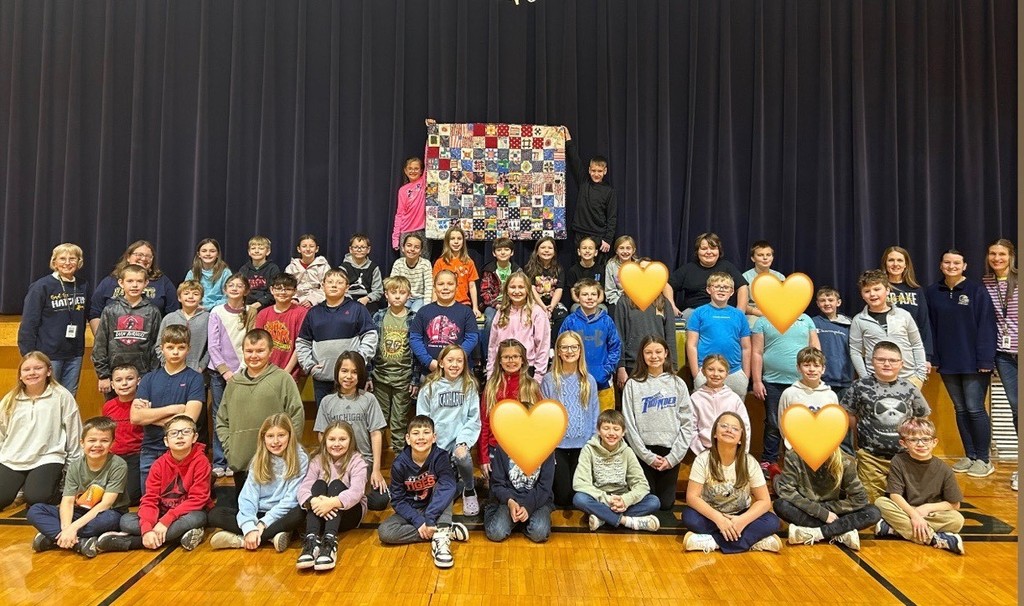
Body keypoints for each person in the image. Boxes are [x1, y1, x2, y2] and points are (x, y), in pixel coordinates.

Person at [925, 249, 997, 478]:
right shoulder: (932, 292)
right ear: (941, 265)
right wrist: (934, 357)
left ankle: (984, 459)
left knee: (975, 409)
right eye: (947, 262)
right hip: (948, 362)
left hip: (974, 362)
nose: (952, 266)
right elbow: (930, 327)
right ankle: (970, 455)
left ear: (964, 266)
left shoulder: (977, 291)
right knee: (961, 409)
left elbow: (987, 325)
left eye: (956, 263)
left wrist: (985, 359)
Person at [94, 415, 212, 553]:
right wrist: (147, 528)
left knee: (197, 518)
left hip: (186, 513)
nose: (180, 436)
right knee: (126, 521)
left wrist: (165, 522)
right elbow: (150, 499)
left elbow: (198, 499)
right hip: (161, 513)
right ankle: (180, 536)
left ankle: (132, 542)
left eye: (186, 432)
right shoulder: (158, 465)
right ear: (166, 441)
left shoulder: (201, 462)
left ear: (195, 437)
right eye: (174, 433)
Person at [216, 329, 306, 502]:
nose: (254, 356)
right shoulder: (234, 383)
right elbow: (221, 420)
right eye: (249, 351)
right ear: (243, 351)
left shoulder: (283, 379)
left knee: (274, 511)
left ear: (271, 351)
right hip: (242, 463)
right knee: (245, 511)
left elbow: (296, 415)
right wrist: (230, 448)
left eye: (260, 351)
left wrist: (287, 449)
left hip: (276, 465)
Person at [840, 341, 931, 502]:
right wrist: (860, 435)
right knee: (871, 503)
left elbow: (922, 416)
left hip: (905, 459)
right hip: (871, 458)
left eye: (893, 360)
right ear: (872, 361)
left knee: (906, 502)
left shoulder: (909, 388)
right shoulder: (859, 386)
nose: (887, 364)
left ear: (901, 364)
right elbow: (849, 415)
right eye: (881, 359)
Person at [377, 415, 470, 569]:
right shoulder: (399, 464)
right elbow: (398, 500)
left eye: (426, 432)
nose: (421, 437)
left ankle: (441, 539)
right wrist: (419, 521)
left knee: (446, 487)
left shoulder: (440, 456)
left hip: (435, 506)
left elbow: (447, 486)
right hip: (412, 509)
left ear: (434, 437)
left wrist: (430, 517)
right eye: (415, 433)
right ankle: (443, 530)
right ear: (408, 439)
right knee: (385, 532)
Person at [682, 411, 782, 553]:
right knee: (689, 517)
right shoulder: (702, 459)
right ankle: (753, 541)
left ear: (741, 438)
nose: (729, 430)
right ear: (715, 433)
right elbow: (692, 497)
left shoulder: (749, 462)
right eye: (724, 426)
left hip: (740, 515)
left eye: (735, 429)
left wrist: (742, 521)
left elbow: (764, 501)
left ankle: (712, 542)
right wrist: (719, 520)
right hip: (711, 515)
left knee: (772, 521)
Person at [26, 416, 126, 558]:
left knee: (110, 520)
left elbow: (106, 504)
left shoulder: (118, 465)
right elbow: (67, 501)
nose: (97, 445)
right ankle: (79, 543)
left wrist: (73, 528)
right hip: (79, 512)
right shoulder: (75, 466)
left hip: (106, 513)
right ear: (82, 443)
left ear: (112, 443)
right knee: (35, 510)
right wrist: (67, 528)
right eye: (92, 440)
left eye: (104, 441)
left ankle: (53, 537)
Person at [209, 414, 308, 552]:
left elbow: (291, 499)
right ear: (263, 438)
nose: (275, 441)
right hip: (259, 512)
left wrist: (263, 523)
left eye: (281, 435)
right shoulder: (258, 459)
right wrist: (249, 527)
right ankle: (271, 536)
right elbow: (248, 497)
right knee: (215, 514)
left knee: (300, 513)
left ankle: (240, 540)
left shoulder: (300, 458)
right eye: (270, 436)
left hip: (281, 514)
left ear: (290, 436)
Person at [0, 352, 83, 510]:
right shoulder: (9, 399)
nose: (32, 373)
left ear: (49, 371)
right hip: (13, 458)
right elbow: (1, 433)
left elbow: (74, 434)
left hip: (47, 457)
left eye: (38, 368)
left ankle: (41, 488)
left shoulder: (62, 396)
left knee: (37, 498)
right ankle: (22, 488)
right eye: (26, 369)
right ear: (20, 375)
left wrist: (71, 472)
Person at [622, 336, 694, 511]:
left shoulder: (678, 383)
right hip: (643, 451)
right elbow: (629, 425)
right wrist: (647, 456)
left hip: (669, 452)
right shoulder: (633, 384)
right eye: (648, 352)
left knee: (665, 504)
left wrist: (673, 458)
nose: (654, 356)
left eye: (658, 352)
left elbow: (687, 423)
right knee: (649, 500)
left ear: (666, 353)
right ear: (642, 355)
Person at [129, 325, 205, 491]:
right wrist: (175, 409)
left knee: (178, 501)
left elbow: (188, 421)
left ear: (188, 349)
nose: (175, 352)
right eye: (170, 347)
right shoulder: (149, 379)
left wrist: (150, 416)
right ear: (162, 348)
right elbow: (135, 417)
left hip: (182, 451)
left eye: (181, 347)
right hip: (150, 450)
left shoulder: (195, 379)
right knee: (150, 499)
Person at [874, 418, 966, 555]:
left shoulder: (944, 469)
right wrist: (914, 516)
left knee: (957, 520)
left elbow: (954, 504)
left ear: (934, 442)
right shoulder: (898, 461)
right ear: (903, 443)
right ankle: (933, 539)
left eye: (926, 439)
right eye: (913, 440)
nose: (921, 444)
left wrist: (927, 508)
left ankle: (894, 529)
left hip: (929, 514)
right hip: (905, 509)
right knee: (880, 503)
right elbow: (895, 495)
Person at [313, 353, 389, 511]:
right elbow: (322, 435)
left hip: (363, 463)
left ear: (360, 374)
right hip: (338, 466)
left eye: (354, 372)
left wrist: (376, 470)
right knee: (329, 489)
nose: (349, 376)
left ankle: (349, 500)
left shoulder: (368, 399)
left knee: (381, 500)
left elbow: (376, 433)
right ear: (337, 372)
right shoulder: (327, 401)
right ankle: (348, 500)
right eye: (344, 371)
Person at [295, 267, 378, 408]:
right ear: (323, 286)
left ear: (347, 288)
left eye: (339, 282)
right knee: (325, 418)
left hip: (351, 378)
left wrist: (358, 361)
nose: (334, 285)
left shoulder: (357, 309)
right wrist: (310, 366)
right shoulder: (313, 313)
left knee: (353, 417)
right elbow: (303, 342)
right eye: (330, 282)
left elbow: (370, 336)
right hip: (322, 379)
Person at [751, 305, 819, 475]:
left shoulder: (806, 319)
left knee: (801, 422)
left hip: (801, 383)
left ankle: (800, 461)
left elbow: (815, 349)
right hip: (772, 382)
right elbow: (757, 352)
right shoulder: (762, 321)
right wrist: (757, 381)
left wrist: (816, 378)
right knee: (773, 423)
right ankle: (769, 461)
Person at [416, 345, 481, 516]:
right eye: (450, 360)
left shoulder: (469, 385)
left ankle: (469, 489)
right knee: (435, 495)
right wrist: (430, 441)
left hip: (459, 442)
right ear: (441, 363)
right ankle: (455, 481)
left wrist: (463, 441)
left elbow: (473, 418)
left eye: (459, 361)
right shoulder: (430, 386)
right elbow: (422, 420)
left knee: (462, 456)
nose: (454, 364)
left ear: (464, 364)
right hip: (437, 443)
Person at [774, 446, 880, 551]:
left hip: (834, 512)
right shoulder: (794, 456)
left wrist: (828, 511)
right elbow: (786, 491)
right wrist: (821, 513)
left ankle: (817, 533)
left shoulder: (846, 460)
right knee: (781, 505)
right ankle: (840, 532)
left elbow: (860, 498)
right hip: (808, 510)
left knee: (873, 512)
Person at [572, 409, 661, 532]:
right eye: (606, 428)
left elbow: (642, 485)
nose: (611, 433)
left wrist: (626, 500)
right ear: (598, 430)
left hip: (622, 499)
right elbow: (579, 483)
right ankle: (627, 521)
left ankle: (603, 518)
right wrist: (607, 499)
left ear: (623, 432)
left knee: (653, 502)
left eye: (616, 429)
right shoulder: (589, 450)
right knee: (579, 499)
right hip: (599, 499)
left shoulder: (627, 452)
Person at [295, 421, 367, 571]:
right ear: (324, 441)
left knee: (336, 485)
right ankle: (312, 541)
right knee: (319, 484)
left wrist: (332, 502)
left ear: (351, 440)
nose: (337, 444)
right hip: (320, 512)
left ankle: (329, 542)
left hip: (349, 514)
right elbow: (304, 488)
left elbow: (357, 491)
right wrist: (313, 501)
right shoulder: (317, 460)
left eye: (342, 439)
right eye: (332, 439)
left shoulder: (357, 461)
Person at [18, 242, 89, 395]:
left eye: (72, 259)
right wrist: (29, 355)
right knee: (46, 395)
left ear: (79, 262)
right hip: (48, 354)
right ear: (54, 262)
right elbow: (29, 323)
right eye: (62, 258)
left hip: (74, 353)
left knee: (69, 396)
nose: (67, 263)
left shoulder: (83, 285)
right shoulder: (41, 286)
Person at [542, 331, 600, 507]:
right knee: (563, 498)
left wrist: (592, 443)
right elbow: (544, 417)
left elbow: (594, 414)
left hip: (583, 445)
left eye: (574, 347)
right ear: (558, 351)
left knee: (578, 495)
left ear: (580, 350)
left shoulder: (589, 381)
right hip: (558, 446)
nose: (569, 351)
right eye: (565, 347)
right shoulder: (549, 380)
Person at [206, 273, 256, 475]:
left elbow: (251, 343)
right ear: (225, 290)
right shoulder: (216, 312)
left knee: (242, 415)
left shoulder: (250, 312)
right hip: (219, 373)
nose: (235, 288)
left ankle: (237, 460)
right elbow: (213, 345)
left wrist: (241, 370)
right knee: (220, 414)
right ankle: (220, 460)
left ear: (246, 290)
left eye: (239, 285)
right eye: (231, 285)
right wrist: (225, 371)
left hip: (243, 372)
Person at [479, 339, 543, 489]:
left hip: (523, 449)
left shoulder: (531, 386)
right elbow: (484, 424)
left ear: (523, 360)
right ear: (499, 361)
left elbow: (539, 424)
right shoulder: (492, 387)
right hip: (496, 448)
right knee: (498, 492)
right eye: (506, 357)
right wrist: (483, 458)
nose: (511, 361)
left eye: (515, 356)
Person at [850, 270, 927, 387]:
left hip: (908, 379)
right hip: (875, 381)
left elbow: (916, 344)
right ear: (862, 295)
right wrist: (865, 378)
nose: (872, 294)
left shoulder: (904, 315)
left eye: (877, 289)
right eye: (867, 291)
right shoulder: (859, 320)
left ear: (887, 290)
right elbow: (856, 352)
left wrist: (920, 375)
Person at [91, 264, 162, 393]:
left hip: (144, 376)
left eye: (139, 281)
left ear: (146, 283)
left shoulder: (153, 311)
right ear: (121, 283)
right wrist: (103, 375)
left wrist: (152, 375)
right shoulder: (110, 310)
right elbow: (100, 344)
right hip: (114, 376)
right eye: (130, 281)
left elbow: (156, 346)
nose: (134, 285)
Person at [982, 238, 1018, 490]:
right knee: (1016, 409)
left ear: (1011, 256)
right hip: (1003, 355)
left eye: (1002, 254)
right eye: (993, 254)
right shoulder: (986, 282)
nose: (997, 258)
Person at [370, 276, 420, 452]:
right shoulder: (379, 316)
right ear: (386, 295)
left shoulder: (413, 318)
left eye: (402, 292)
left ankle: (399, 457)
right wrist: (368, 374)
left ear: (409, 296)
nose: (397, 296)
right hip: (380, 377)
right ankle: (377, 456)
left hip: (403, 378)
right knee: (380, 419)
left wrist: (415, 380)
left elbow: (416, 352)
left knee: (399, 421)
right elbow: (371, 348)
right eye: (393, 292)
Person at [89, 240, 179, 335]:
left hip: (150, 340)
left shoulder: (163, 281)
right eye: (139, 254)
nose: (143, 258)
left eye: (148, 256)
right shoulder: (110, 281)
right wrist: (101, 338)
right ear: (128, 257)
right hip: (115, 341)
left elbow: (172, 314)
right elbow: (95, 313)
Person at [685, 272, 751, 396]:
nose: (721, 290)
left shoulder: (739, 315)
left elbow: (746, 347)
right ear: (708, 290)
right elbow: (691, 345)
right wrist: (696, 373)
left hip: (735, 372)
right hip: (706, 372)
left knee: (735, 408)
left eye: (726, 287)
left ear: (732, 292)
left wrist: (745, 375)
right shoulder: (699, 313)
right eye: (717, 286)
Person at [613, 262, 677, 390]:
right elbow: (619, 335)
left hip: (659, 364)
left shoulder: (663, 302)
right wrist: (621, 367)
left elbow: (670, 336)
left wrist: (673, 366)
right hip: (632, 365)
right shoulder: (624, 302)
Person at [409, 269, 479, 378]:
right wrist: (428, 362)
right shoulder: (423, 311)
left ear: (456, 287)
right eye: (441, 284)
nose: (445, 287)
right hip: (429, 372)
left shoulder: (466, 312)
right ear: (434, 287)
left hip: (458, 372)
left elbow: (472, 338)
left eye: (450, 284)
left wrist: (456, 360)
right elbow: (415, 339)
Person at [666, 232, 747, 323]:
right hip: (693, 313)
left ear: (719, 251)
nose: (709, 252)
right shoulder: (688, 269)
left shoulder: (727, 267)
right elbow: (667, 285)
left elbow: (742, 286)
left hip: (722, 313)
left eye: (713, 248)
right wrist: (672, 307)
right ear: (697, 251)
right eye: (704, 249)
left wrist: (740, 313)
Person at [485, 271, 550, 381]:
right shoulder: (501, 312)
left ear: (528, 290)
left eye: (521, 287)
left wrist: (538, 377)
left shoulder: (537, 313)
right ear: (506, 290)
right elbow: (492, 346)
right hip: (502, 370)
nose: (516, 291)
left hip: (527, 371)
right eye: (512, 287)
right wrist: (490, 375)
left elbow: (543, 347)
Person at [483, 443, 555, 543]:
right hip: (509, 500)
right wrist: (510, 501)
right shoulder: (503, 446)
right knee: (496, 532)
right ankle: (505, 517)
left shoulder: (547, 448)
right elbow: (497, 483)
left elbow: (544, 487)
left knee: (539, 532)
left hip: (537, 500)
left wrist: (528, 507)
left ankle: (519, 523)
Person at [559, 279, 621, 394]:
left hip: (603, 383)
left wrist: (606, 370)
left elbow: (615, 348)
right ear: (577, 297)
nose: (589, 298)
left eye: (593, 294)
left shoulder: (607, 321)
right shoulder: (570, 321)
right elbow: (561, 347)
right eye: (585, 294)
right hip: (575, 381)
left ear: (599, 297)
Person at [563, 127, 616, 255]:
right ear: (589, 170)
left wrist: (608, 239)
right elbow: (575, 160)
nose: (596, 174)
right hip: (580, 232)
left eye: (599, 171)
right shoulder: (584, 182)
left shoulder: (609, 191)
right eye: (593, 171)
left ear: (605, 171)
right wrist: (568, 140)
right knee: (580, 263)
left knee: (597, 266)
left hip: (598, 235)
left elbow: (612, 217)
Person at [777, 347, 839, 454]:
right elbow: (782, 424)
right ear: (798, 368)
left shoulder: (830, 395)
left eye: (816, 366)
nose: (811, 369)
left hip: (823, 450)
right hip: (796, 451)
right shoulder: (789, 394)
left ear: (823, 369)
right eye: (806, 365)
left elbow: (835, 425)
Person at [689, 355, 751, 456]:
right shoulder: (695, 398)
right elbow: (691, 429)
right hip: (705, 451)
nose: (715, 374)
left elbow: (745, 427)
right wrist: (702, 453)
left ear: (727, 374)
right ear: (703, 371)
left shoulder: (734, 398)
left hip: (732, 452)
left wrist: (742, 453)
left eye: (721, 371)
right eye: (710, 369)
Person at [881, 246, 934, 364]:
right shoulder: (879, 289)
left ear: (906, 265)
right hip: (884, 352)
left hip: (911, 352)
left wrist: (927, 357)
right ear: (885, 263)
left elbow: (924, 324)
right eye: (891, 260)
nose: (895, 264)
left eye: (900, 260)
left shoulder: (916, 290)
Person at [254, 273, 309, 382]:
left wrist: (286, 372)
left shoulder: (302, 313)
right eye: (278, 288)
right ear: (271, 290)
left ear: (295, 291)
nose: (282, 292)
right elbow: (258, 343)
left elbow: (301, 344)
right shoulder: (263, 314)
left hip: (291, 373)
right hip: (265, 372)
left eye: (288, 289)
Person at [102, 364, 143, 505]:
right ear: (112, 385)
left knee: (130, 497)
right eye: (119, 380)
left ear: (138, 381)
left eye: (129, 379)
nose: (124, 384)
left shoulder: (143, 404)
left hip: (136, 456)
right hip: (113, 457)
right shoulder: (108, 406)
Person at [479, 237, 521, 359]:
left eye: (506, 249)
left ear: (512, 252)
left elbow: (521, 290)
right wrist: (497, 305)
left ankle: (516, 355)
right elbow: (485, 292)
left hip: (513, 303)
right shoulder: (489, 270)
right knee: (490, 321)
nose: (503, 252)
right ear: (494, 253)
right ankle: (488, 357)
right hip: (493, 305)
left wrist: (511, 304)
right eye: (499, 250)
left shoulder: (517, 270)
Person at [811, 286, 855, 402]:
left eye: (830, 300)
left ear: (838, 302)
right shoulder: (812, 323)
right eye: (822, 300)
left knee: (843, 413)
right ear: (817, 303)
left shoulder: (849, 324)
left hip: (844, 380)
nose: (827, 303)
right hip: (820, 381)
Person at [157, 280, 210, 374]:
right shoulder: (169, 318)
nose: (190, 297)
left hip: (196, 371)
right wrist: (166, 362)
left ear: (201, 298)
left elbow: (211, 347)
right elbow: (159, 345)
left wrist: (201, 366)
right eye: (186, 293)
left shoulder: (208, 318)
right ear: (179, 298)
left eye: (195, 294)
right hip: (170, 370)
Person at [433, 226, 481, 319]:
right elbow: (434, 286)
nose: (456, 242)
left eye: (459, 238)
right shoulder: (440, 262)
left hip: (463, 303)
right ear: (447, 241)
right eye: (452, 239)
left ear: (463, 241)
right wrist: (434, 306)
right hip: (443, 303)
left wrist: (475, 307)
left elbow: (472, 286)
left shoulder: (469, 262)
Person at [524, 237, 568, 340]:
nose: (546, 250)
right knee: (537, 315)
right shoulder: (529, 268)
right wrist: (543, 307)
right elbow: (531, 289)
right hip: (536, 302)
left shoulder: (559, 269)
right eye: (543, 247)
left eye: (550, 248)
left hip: (553, 303)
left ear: (554, 252)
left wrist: (551, 307)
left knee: (562, 315)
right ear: (537, 251)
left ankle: (553, 344)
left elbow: (559, 289)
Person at [392, 156, 430, 258]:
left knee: (423, 263)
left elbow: (428, 160)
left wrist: (428, 147)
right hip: (405, 231)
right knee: (405, 263)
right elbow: (399, 214)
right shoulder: (402, 190)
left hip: (422, 231)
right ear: (405, 170)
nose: (413, 171)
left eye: (416, 168)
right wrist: (395, 238)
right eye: (410, 168)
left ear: (421, 171)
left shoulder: (424, 182)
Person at [742, 240, 786, 328]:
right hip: (754, 315)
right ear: (753, 258)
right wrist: (760, 313)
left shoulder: (780, 277)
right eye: (760, 255)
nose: (765, 258)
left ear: (772, 257)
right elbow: (742, 305)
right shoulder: (745, 277)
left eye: (768, 255)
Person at [341, 233, 384, 314]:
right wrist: (349, 300)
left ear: (368, 249)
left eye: (363, 247)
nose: (359, 250)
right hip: (347, 299)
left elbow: (378, 291)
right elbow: (341, 289)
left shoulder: (374, 268)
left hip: (367, 300)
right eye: (356, 247)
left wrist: (367, 298)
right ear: (350, 249)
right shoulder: (343, 268)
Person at [390, 232, 433, 312]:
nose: (412, 249)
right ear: (403, 248)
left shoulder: (426, 264)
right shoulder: (398, 263)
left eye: (416, 247)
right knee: (400, 312)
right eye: (409, 245)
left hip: (420, 298)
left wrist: (427, 308)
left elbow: (429, 288)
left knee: (415, 312)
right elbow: (392, 285)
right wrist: (390, 307)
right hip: (403, 296)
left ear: (420, 251)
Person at [184, 238, 231, 311]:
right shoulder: (192, 273)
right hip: (196, 310)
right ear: (199, 254)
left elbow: (229, 297)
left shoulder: (225, 273)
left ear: (218, 254)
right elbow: (185, 294)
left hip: (219, 311)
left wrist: (208, 307)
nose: (208, 254)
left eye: (212, 251)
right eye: (204, 251)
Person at [285, 233, 331, 308]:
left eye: (311, 246)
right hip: (295, 302)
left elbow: (327, 287)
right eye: (304, 246)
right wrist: (294, 299)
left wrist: (312, 300)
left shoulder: (324, 267)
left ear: (317, 249)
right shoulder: (291, 267)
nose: (308, 249)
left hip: (318, 302)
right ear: (299, 249)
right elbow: (287, 286)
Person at [238, 235, 281, 312]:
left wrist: (258, 304)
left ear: (268, 252)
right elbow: (240, 289)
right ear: (249, 252)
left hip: (266, 306)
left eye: (261, 248)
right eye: (253, 248)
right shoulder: (244, 269)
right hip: (246, 305)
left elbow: (274, 292)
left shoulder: (273, 269)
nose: (256, 251)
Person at [565, 236, 605, 306]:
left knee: (603, 309)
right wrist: (584, 304)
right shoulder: (573, 270)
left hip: (596, 303)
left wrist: (593, 304)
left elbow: (601, 294)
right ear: (579, 252)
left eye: (590, 248)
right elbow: (573, 294)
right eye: (584, 248)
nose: (587, 251)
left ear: (596, 252)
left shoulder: (601, 270)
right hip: (579, 303)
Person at [604, 235, 637, 311]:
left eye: (628, 248)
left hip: (636, 301)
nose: (625, 251)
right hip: (618, 301)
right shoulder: (611, 265)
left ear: (633, 250)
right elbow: (610, 291)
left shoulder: (639, 265)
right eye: (621, 248)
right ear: (616, 251)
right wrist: (622, 303)